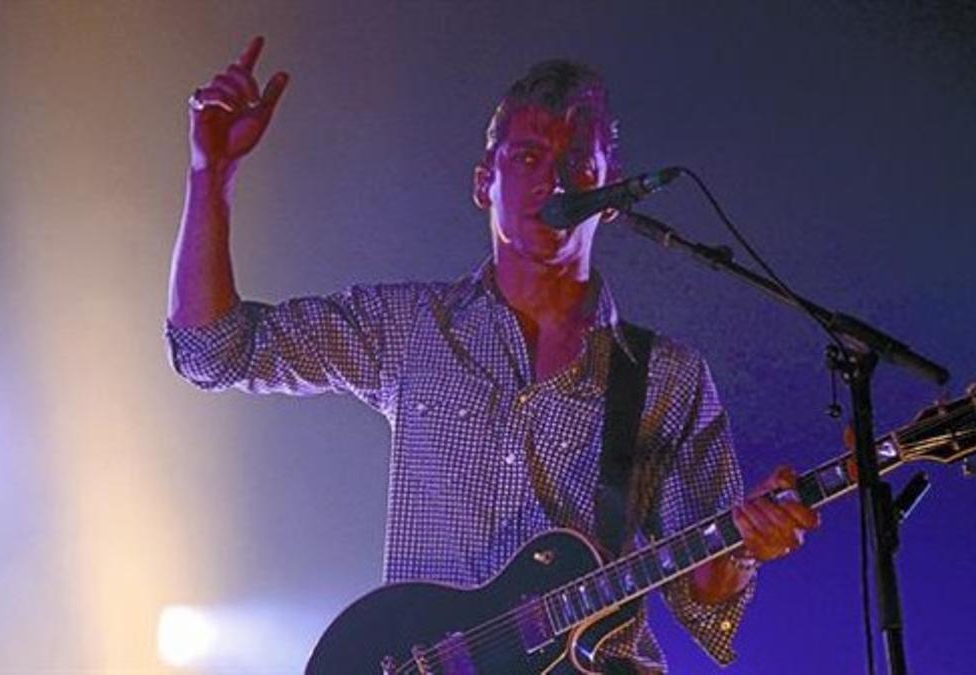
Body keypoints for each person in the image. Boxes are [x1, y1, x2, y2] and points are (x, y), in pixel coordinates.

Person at [167, 36, 819, 673]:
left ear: (612, 192)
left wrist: (742, 548)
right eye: (529, 158)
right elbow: (216, 350)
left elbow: (704, 600)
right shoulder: (411, 327)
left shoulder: (666, 375)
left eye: (577, 166)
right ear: (486, 181)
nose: (553, 182)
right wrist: (211, 174)